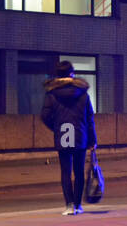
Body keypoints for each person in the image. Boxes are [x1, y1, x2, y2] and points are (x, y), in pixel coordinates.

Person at [39, 61, 97, 216]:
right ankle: (78, 205)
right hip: (80, 134)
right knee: (78, 171)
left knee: (65, 171)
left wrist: (56, 127)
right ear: (72, 74)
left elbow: (44, 116)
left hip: (64, 133)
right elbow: (89, 118)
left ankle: (69, 205)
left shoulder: (52, 94)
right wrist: (92, 140)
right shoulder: (83, 94)